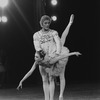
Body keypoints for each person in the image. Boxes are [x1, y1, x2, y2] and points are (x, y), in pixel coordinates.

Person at [17, 14, 81, 100]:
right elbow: (36, 46)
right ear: (41, 24)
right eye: (45, 23)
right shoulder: (36, 35)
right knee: (44, 79)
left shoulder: (53, 32)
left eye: (48, 23)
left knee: (51, 78)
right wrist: (40, 54)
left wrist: (58, 53)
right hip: (42, 56)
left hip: (52, 55)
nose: (47, 24)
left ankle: (54, 98)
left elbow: (58, 42)